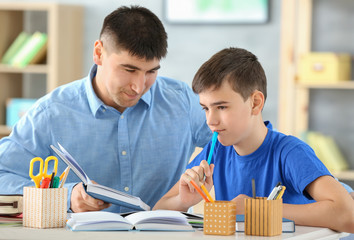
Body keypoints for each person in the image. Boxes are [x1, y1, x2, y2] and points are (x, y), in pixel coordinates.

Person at [0, 6, 211, 213]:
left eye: (151, 72)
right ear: (99, 53)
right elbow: (3, 176)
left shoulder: (182, 101)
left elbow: (233, 145)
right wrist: (67, 196)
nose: (139, 86)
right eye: (129, 69)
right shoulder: (51, 113)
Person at [153, 47, 354, 233]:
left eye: (221, 107)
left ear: (255, 103)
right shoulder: (216, 152)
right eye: (205, 108)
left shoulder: (289, 153)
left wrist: (255, 209)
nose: (210, 121)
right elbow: (159, 209)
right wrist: (183, 200)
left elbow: (348, 215)